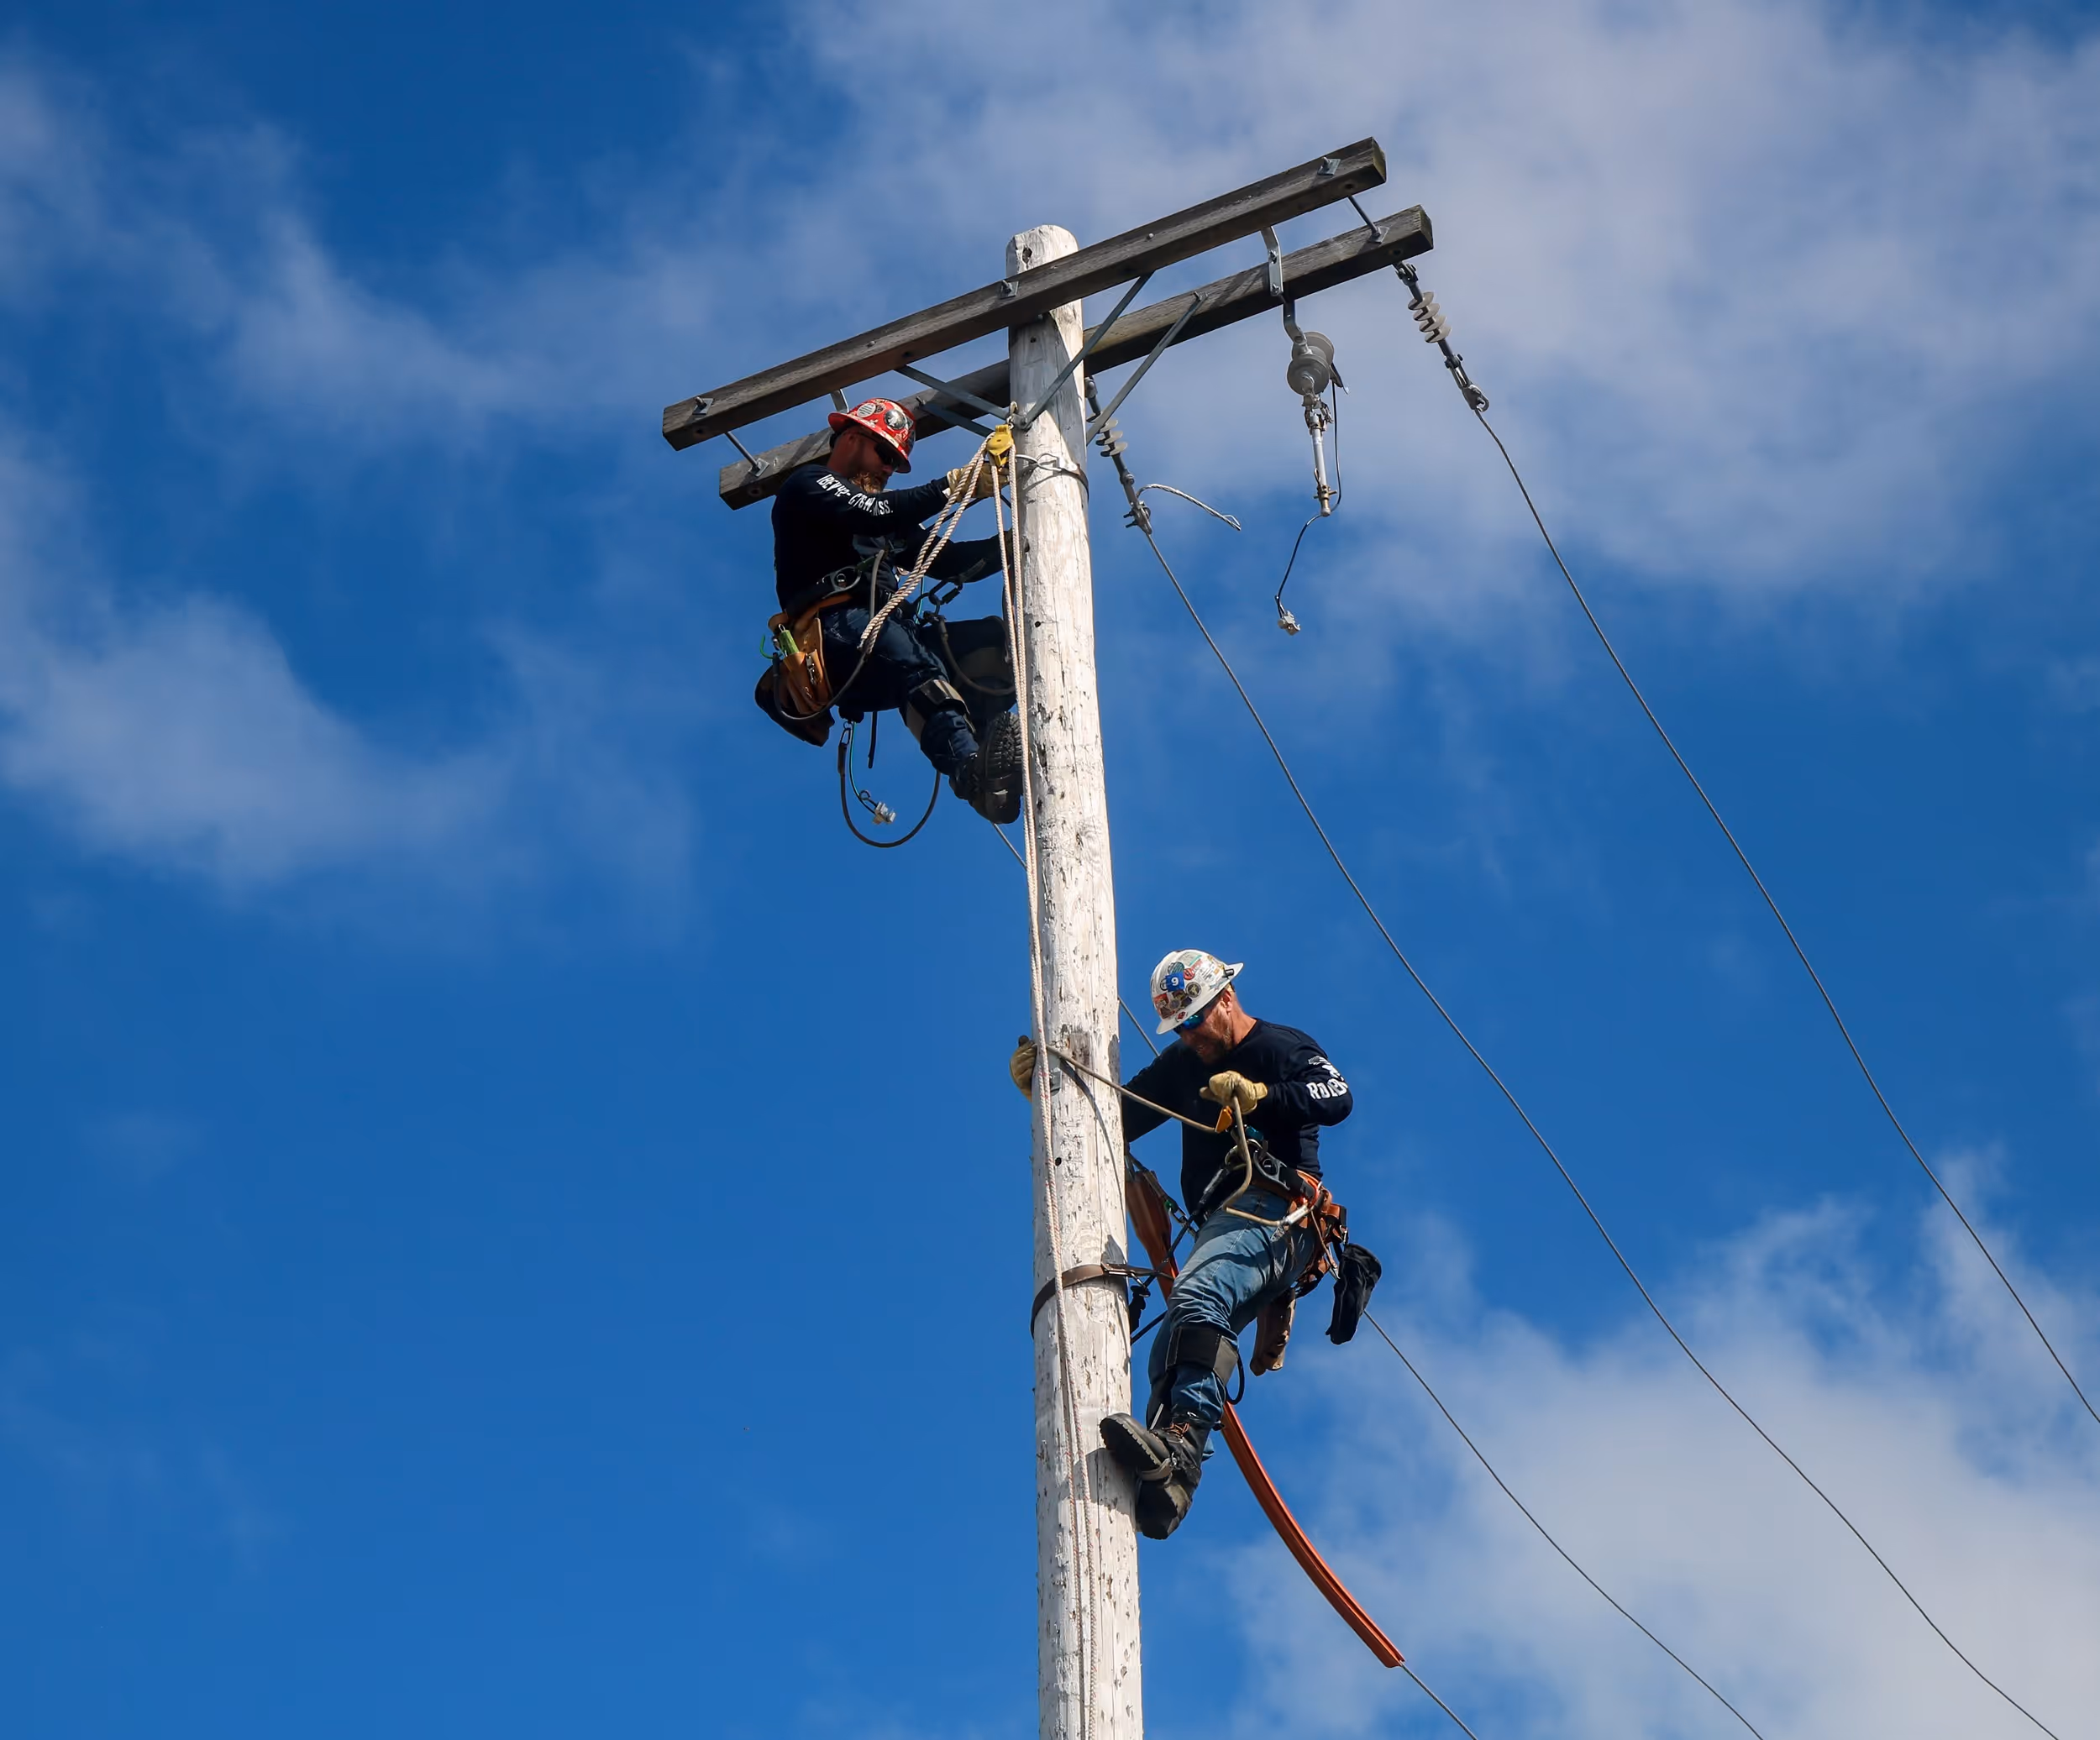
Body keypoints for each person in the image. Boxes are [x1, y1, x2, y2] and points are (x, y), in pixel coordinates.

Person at [1010, 948, 1352, 1538]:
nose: (1190, 1037)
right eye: (1181, 1027)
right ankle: (1173, 1478)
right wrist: (1051, 1090)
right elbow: (1111, 1117)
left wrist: (1261, 1096)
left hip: (1276, 1211)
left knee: (1197, 1299)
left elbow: (1337, 1096)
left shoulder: (1279, 1048)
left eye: (1195, 1021)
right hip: (1223, 1222)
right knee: (1171, 1339)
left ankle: (1178, 1445)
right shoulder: (1182, 1066)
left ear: (1226, 998)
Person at [769, 396, 1021, 822]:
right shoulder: (809, 486)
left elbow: (949, 559)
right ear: (851, 437)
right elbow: (875, 513)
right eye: (885, 455)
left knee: (991, 643)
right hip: (837, 636)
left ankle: (991, 755)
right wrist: (962, 482)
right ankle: (968, 770)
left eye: (896, 462)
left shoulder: (885, 525)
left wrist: (1015, 544)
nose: (888, 468)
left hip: (882, 638)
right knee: (910, 659)